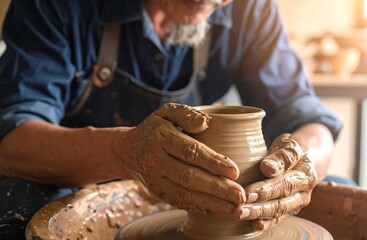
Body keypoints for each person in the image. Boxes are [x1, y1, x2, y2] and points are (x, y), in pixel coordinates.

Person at [0, 0, 342, 238]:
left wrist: (302, 161)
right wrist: (125, 153)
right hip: (81, 180)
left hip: (214, 195)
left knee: (340, 195)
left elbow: (304, 113)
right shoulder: (59, 5)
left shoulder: (248, 7)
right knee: (16, 212)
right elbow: (13, 140)